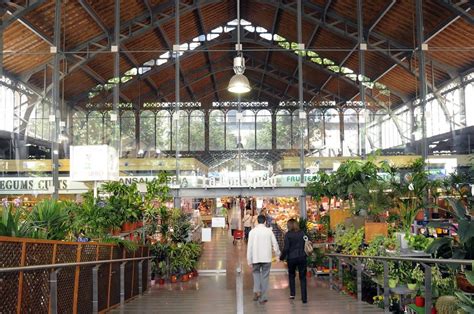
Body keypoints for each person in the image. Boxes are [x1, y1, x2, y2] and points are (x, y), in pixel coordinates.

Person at [247, 215, 281, 304]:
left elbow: (249, 247)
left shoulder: (252, 232)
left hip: (255, 257)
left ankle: (256, 291)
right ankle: (263, 297)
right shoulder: (269, 231)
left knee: (256, 274)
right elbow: (275, 244)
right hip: (266, 258)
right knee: (265, 277)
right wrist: (278, 254)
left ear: (257, 221)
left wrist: (249, 260)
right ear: (265, 222)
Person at [280, 219, 307, 303]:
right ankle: (304, 298)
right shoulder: (302, 233)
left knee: (291, 275)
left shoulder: (288, 235)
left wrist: (282, 257)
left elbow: (286, 248)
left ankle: (292, 294)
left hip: (291, 258)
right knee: (302, 278)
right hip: (302, 257)